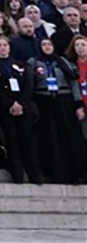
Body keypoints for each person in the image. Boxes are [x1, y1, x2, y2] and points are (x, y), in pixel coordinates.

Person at [28, 36, 87, 184]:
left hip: (64, 100)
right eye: (44, 44)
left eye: (49, 44)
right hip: (44, 101)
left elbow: (74, 82)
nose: (47, 47)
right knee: (51, 138)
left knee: (70, 138)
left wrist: (78, 104)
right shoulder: (34, 62)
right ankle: (56, 174)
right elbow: (29, 84)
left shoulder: (63, 62)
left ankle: (76, 173)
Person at [0, 35, 40, 184]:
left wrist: (21, 103)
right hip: (6, 108)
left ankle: (34, 175)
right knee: (11, 141)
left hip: (22, 106)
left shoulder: (19, 65)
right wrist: (11, 103)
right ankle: (17, 174)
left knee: (28, 141)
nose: (3, 48)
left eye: (5, 45)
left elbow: (28, 84)